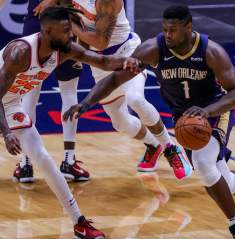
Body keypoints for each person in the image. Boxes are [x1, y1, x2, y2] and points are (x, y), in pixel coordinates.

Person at [64, 5, 235, 239]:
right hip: (185, 119)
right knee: (223, 181)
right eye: (165, 29)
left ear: (189, 27)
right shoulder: (154, 49)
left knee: (205, 167)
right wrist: (86, 103)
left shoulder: (211, 51)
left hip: (214, 112)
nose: (168, 34)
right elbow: (114, 78)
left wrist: (209, 111)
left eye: (173, 30)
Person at [0, 6, 139, 239]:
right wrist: (6, 133)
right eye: (65, 31)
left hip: (10, 102)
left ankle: (79, 222)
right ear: (47, 31)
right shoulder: (20, 52)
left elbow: (103, 60)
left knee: (42, 156)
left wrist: (127, 61)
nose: (70, 36)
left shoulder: (63, 50)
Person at [45, 0, 193, 179]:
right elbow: (80, 21)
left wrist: (70, 26)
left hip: (126, 52)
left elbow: (100, 41)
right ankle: (154, 144)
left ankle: (171, 149)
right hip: (99, 62)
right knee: (120, 122)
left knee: (135, 98)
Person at [13, 0, 90, 183]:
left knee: (31, 93)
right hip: (61, 18)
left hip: (46, 17)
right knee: (67, 91)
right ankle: (67, 161)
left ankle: (25, 163)